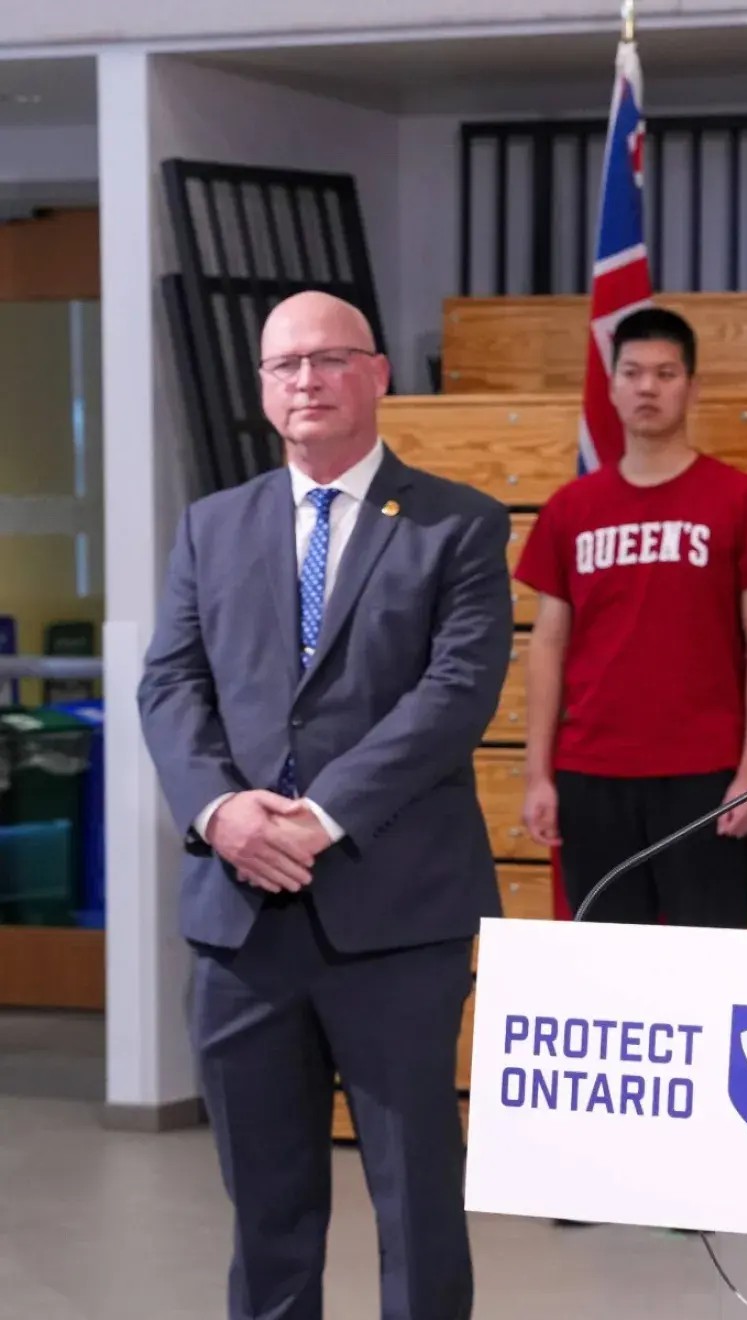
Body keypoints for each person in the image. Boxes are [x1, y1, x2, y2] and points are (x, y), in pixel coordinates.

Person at [138, 291, 512, 1320]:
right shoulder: (212, 526)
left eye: (329, 359)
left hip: (396, 919)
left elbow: (455, 695)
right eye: (284, 365)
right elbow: (170, 684)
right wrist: (222, 813)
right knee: (266, 1210)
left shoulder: (458, 524)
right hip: (240, 924)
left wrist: (320, 816)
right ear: (264, 389)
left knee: (416, 1196)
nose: (306, 380)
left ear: (378, 374)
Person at [515, 307, 747, 929]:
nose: (647, 387)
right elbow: (548, 645)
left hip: (705, 774)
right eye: (632, 372)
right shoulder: (569, 509)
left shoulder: (740, 499)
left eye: (665, 374)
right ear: (611, 387)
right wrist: (538, 775)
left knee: (707, 961)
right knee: (602, 964)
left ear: (692, 387)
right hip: (590, 772)